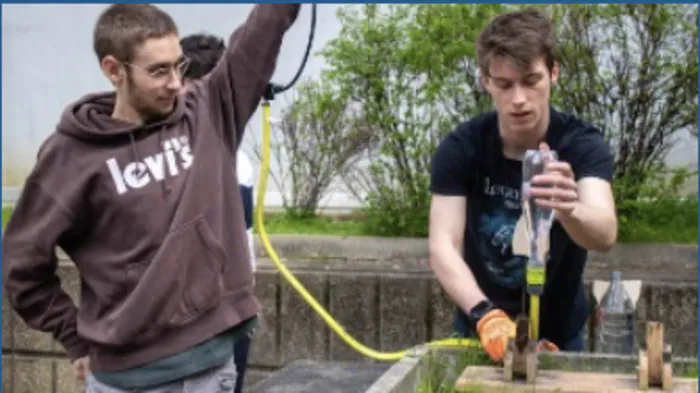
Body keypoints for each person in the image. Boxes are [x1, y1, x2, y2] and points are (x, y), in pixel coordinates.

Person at [2, 3, 299, 392]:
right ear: (114, 70)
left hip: (214, 371)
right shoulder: (69, 157)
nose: (175, 83)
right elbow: (20, 264)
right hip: (128, 382)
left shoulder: (208, 112)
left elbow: (265, 27)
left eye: (179, 66)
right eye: (158, 71)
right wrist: (73, 335)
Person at [428, 8, 617, 363]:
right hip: (480, 326)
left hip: (559, 336)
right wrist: (487, 318)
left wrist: (569, 208)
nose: (518, 99)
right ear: (486, 81)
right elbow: (442, 246)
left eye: (531, 81)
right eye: (504, 84)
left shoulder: (581, 143)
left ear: (554, 73)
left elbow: (604, 234)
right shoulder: (462, 147)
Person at [180, 33, 258, 393]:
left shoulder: (238, 159)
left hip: (231, 313)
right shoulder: (162, 160)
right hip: (179, 320)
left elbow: (241, 238)